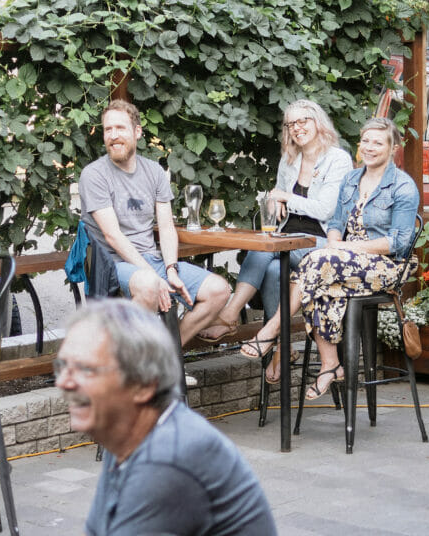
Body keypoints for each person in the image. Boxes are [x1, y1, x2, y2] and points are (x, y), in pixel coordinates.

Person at [57, 298, 277, 536]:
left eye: (86, 369)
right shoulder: (121, 432)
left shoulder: (168, 461)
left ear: (143, 386)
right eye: (62, 366)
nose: (64, 382)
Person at [242, 117, 420, 400]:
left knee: (316, 263)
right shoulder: (351, 179)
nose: (370, 148)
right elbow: (336, 221)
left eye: (378, 142)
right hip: (341, 261)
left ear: (393, 147)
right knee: (319, 273)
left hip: (386, 265)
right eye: (366, 141)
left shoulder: (403, 186)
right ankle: (330, 364)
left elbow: (399, 241)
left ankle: (274, 330)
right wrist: (336, 241)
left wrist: (346, 249)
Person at [197, 99, 352, 383]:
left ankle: (232, 315)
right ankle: (277, 343)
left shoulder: (337, 159)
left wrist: (284, 197)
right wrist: (274, 199)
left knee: (268, 249)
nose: (297, 128)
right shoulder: (289, 159)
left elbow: (325, 209)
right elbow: (277, 199)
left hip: (320, 244)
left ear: (317, 121)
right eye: (291, 124)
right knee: (269, 261)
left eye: (302, 121)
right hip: (288, 237)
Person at [79, 99, 230, 345]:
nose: (114, 136)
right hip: (112, 263)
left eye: (120, 128)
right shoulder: (94, 175)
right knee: (149, 284)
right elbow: (112, 236)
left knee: (218, 290)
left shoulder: (154, 171)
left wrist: (170, 268)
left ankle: (165, 355)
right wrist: (153, 276)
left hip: (152, 260)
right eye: (108, 130)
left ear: (137, 132)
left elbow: (167, 226)